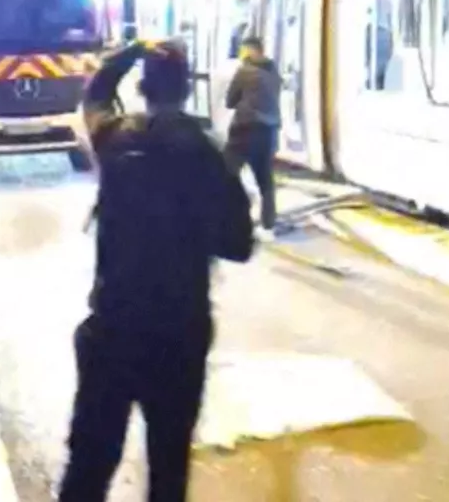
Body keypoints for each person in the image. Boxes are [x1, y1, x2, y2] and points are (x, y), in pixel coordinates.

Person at [58, 40, 254, 502]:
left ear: (142, 88)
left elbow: (96, 93)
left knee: (90, 460)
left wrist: (129, 51)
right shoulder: (211, 156)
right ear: (187, 89)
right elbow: (238, 246)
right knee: (169, 464)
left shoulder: (114, 138)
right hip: (180, 331)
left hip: (113, 327)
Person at [223, 35, 282, 239]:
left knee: (227, 174)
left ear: (248, 50)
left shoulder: (244, 71)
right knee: (265, 180)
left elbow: (230, 101)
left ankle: (229, 220)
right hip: (269, 130)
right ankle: (268, 223)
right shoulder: (274, 72)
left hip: (244, 130)